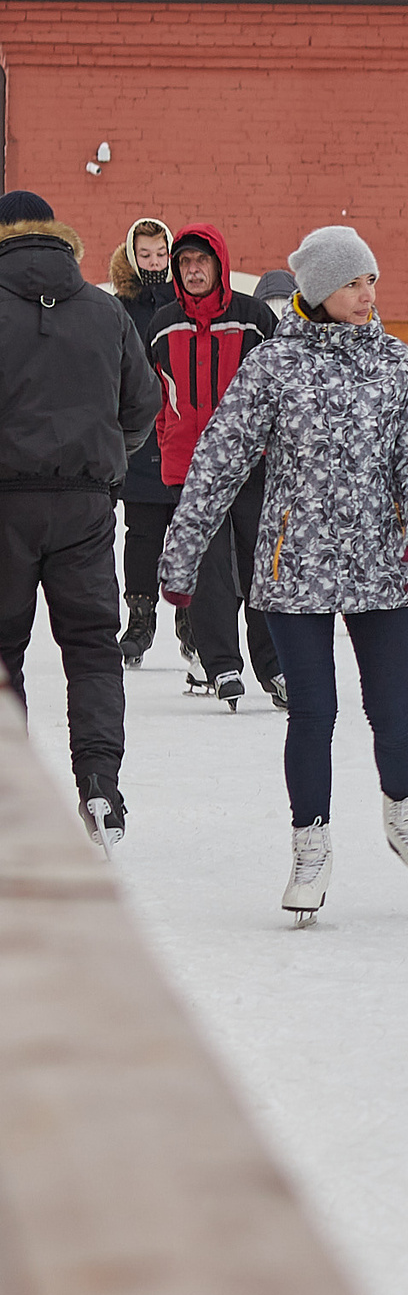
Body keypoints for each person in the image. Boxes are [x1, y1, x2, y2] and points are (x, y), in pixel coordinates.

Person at [159, 228, 408, 923]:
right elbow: (220, 459)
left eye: (370, 279)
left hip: (381, 565)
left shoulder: (395, 361)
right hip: (296, 567)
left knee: (393, 708)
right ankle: (310, 846)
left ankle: (405, 815)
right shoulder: (274, 365)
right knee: (313, 712)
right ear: (319, 291)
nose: (367, 294)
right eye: (352, 283)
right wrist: (181, 557)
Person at [0, 189, 159, 846]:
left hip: (5, 502)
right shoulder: (104, 310)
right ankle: (99, 785)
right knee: (93, 648)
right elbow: (142, 404)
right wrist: (104, 460)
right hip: (86, 503)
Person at [146, 224, 284, 710]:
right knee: (207, 570)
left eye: (200, 261)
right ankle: (221, 664)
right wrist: (168, 447)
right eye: (184, 263)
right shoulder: (162, 324)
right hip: (191, 468)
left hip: (252, 464)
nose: (193, 270)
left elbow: (281, 390)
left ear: (219, 265)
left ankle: (275, 666)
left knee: (261, 566)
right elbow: (158, 396)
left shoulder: (254, 319)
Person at [105, 215, 180, 668]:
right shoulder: (120, 308)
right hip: (140, 438)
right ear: (132, 258)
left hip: (184, 435)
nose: (154, 262)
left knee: (191, 535)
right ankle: (140, 620)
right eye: (145, 254)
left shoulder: (187, 303)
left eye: (160, 253)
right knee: (142, 535)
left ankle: (193, 625)